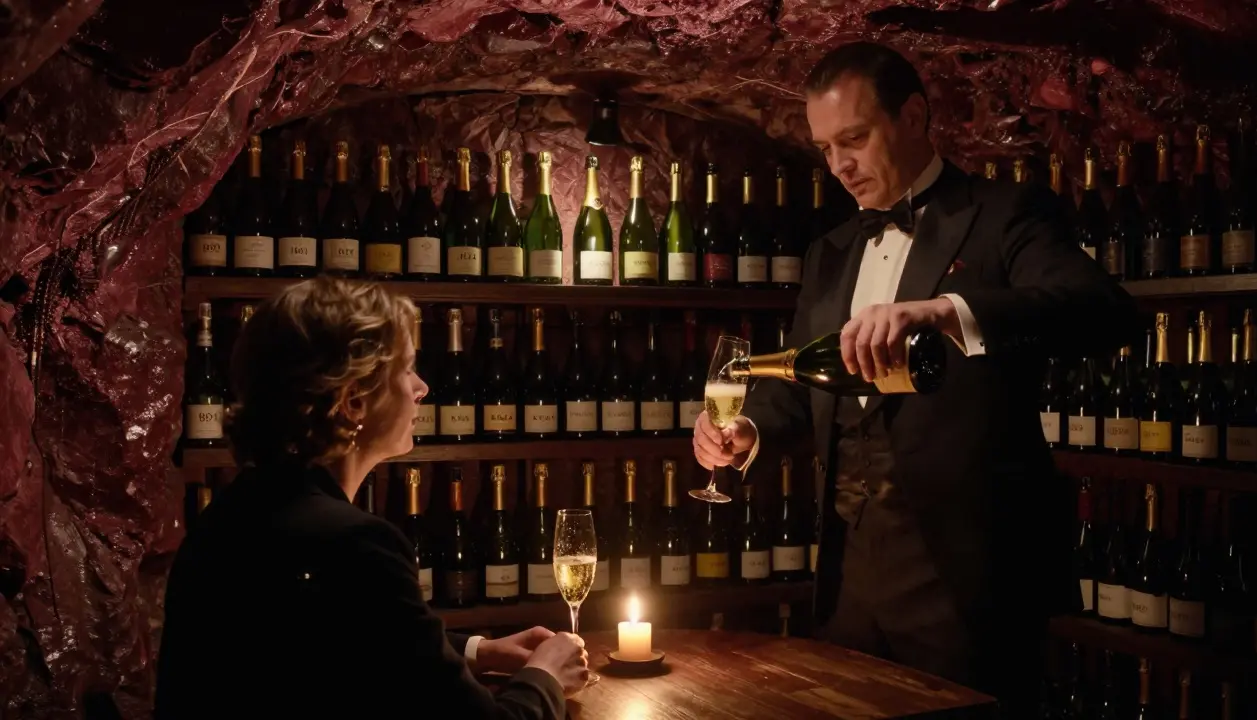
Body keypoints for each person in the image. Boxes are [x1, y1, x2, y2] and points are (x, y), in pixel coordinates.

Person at [693, 42, 1137, 715]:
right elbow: (799, 394)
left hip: (965, 579)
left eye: (855, 138)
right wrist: (747, 431)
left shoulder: (1004, 214)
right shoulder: (831, 251)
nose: (839, 165)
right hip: (849, 574)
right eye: (825, 147)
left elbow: (1105, 314)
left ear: (915, 116)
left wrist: (947, 311)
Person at [155, 278, 588, 719]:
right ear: (353, 401)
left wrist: (481, 650)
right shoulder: (355, 544)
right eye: (406, 369)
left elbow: (352, 633)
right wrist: (546, 676)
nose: (421, 387)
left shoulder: (236, 511)